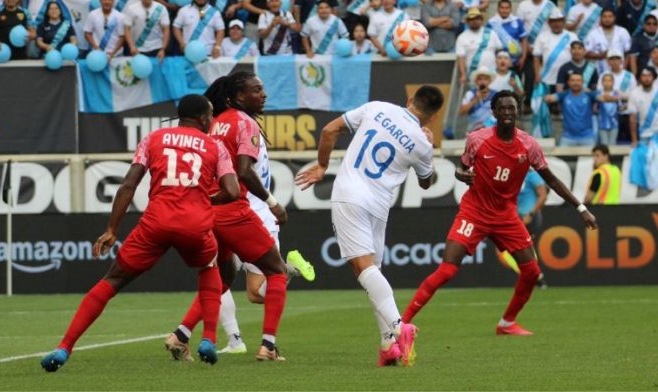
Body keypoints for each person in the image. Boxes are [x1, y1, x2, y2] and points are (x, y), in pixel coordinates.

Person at [39, 95, 240, 372]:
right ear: (204, 118)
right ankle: (208, 339)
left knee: (113, 280)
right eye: (211, 115)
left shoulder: (154, 138)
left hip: (156, 221)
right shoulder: (215, 146)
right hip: (195, 224)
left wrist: (111, 229)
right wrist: (202, 201)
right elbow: (232, 191)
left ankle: (64, 347)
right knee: (209, 269)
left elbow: (128, 185)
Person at [402, 90, 598, 336]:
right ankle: (400, 324)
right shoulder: (477, 139)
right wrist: (462, 174)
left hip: (506, 217)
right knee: (448, 269)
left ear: (518, 111)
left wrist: (581, 208)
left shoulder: (528, 145)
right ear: (494, 112)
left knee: (532, 272)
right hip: (474, 212)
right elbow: (461, 168)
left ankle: (507, 323)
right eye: (502, 108)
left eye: (511, 108)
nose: (507, 112)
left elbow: (552, 180)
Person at [294, 85, 445, 367]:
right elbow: (426, 182)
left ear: (410, 100)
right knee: (373, 271)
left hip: (349, 194)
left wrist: (323, 166)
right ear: (434, 117)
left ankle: (400, 328)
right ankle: (388, 344)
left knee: (363, 270)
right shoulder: (422, 143)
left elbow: (329, 130)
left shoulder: (377, 107)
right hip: (379, 205)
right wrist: (429, 147)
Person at [165, 72, 290, 362]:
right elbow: (245, 171)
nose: (264, 94)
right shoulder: (244, 123)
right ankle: (268, 346)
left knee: (221, 279)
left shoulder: (216, 122)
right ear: (238, 97)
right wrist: (273, 202)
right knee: (277, 270)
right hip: (232, 210)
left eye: (262, 89)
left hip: (208, 212)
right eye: (256, 90)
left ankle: (180, 335)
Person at [216, 123, 315, 355]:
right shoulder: (248, 131)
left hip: (245, 216)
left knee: (217, 280)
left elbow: (244, 172)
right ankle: (238, 341)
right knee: (253, 292)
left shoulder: (237, 130)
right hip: (251, 215)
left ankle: (239, 341)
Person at [499, 168, 549, 289]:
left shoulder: (531, 175)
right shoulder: (512, 173)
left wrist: (531, 214)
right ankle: (534, 276)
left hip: (529, 217)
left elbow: (543, 195)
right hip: (516, 218)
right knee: (514, 250)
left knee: (521, 249)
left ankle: (534, 275)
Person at [545, 72, 612, 146]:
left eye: (578, 80)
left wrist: (612, 95)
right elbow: (549, 98)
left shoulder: (589, 94)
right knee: (559, 157)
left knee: (591, 157)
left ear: (583, 82)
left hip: (587, 137)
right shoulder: (563, 95)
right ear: (568, 82)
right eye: (573, 80)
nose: (575, 83)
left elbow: (604, 98)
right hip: (567, 137)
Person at [516, 0, 555, 109]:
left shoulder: (550, 5)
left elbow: (555, 23)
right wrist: (526, 46)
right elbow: (519, 26)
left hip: (547, 46)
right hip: (529, 47)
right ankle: (528, 102)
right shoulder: (523, 5)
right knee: (530, 75)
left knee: (550, 75)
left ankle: (550, 103)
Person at [455, 7, 503, 86]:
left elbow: (500, 52)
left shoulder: (491, 33)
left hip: (492, 74)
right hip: (474, 76)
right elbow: (461, 58)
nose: (474, 21)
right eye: (472, 19)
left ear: (481, 20)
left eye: (477, 18)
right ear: (468, 21)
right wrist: (463, 75)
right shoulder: (462, 37)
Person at [533, 8, 578, 92]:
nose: (556, 24)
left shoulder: (572, 36)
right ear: (549, 23)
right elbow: (536, 57)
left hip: (568, 79)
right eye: (553, 21)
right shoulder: (542, 36)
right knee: (548, 104)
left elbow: (578, 56)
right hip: (547, 79)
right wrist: (537, 75)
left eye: (559, 21)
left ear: (564, 22)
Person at [584, 9, 631, 75]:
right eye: (604, 17)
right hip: (600, 72)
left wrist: (624, 68)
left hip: (620, 71)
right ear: (601, 18)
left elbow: (629, 53)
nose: (607, 19)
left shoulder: (622, 31)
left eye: (610, 16)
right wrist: (599, 56)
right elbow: (586, 53)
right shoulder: (593, 33)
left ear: (614, 18)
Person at [487, 0, 527, 67]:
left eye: (507, 8)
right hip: (498, 62)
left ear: (510, 9)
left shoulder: (517, 21)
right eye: (502, 8)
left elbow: (524, 40)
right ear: (498, 9)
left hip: (516, 61)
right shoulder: (491, 23)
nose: (504, 10)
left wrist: (523, 57)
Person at [460, 66, 498, 132]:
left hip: (492, 131)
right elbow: (461, 112)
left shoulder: (496, 94)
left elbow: (499, 114)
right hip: (473, 131)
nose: (482, 82)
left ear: (489, 81)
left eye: (485, 79)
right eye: (480, 79)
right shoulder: (470, 94)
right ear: (476, 81)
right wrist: (475, 100)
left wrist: (486, 125)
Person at [627, 67, 658, 146]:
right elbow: (632, 119)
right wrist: (634, 140)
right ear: (640, 78)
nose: (646, 78)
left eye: (649, 75)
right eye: (644, 76)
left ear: (654, 77)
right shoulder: (634, 94)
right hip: (644, 134)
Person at [597, 73, 621, 144]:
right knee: (604, 144)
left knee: (612, 145)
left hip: (614, 124)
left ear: (613, 82)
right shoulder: (599, 93)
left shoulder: (616, 93)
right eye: (605, 80)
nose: (607, 83)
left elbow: (620, 107)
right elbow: (595, 107)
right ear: (602, 82)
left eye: (609, 80)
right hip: (602, 124)